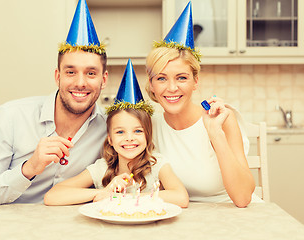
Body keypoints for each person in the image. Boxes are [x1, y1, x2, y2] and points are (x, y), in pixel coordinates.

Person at [0, 0, 107, 237]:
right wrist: (28, 168)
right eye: (70, 72)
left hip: (66, 232)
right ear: (57, 76)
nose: (80, 82)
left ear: (103, 80)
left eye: (91, 73)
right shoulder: (12, 115)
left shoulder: (111, 128)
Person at [145, 2, 255, 208]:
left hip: (229, 214)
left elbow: (242, 199)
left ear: (196, 81)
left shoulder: (222, 120)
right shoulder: (149, 126)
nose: (172, 88)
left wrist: (215, 134)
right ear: (151, 85)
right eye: (161, 78)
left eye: (182, 78)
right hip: (178, 216)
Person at [44, 59, 189, 208]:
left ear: (148, 135)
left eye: (138, 131)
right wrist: (104, 192)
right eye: (120, 132)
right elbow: (52, 196)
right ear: (110, 139)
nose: (129, 138)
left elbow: (181, 197)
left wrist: (131, 197)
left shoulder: (157, 165)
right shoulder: (102, 169)